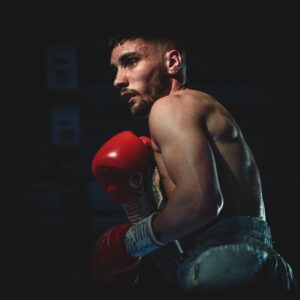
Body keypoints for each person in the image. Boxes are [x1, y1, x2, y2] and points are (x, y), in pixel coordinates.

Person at [89, 30, 298, 295]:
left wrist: (130, 243)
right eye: (115, 69)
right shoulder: (193, 116)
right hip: (257, 266)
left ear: (172, 62)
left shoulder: (171, 107)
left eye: (130, 62)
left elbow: (200, 202)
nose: (118, 80)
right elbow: (178, 257)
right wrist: (138, 205)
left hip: (225, 263)